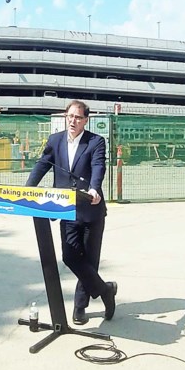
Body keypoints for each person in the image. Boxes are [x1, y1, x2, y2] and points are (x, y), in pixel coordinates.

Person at [25, 100, 117, 325]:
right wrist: (27, 188)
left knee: (90, 260)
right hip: (66, 210)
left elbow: (98, 167)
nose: (73, 121)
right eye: (70, 116)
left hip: (91, 211)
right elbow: (42, 164)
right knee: (70, 257)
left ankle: (79, 307)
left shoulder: (96, 141)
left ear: (86, 120)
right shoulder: (55, 140)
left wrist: (94, 188)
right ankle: (105, 291)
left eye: (78, 117)